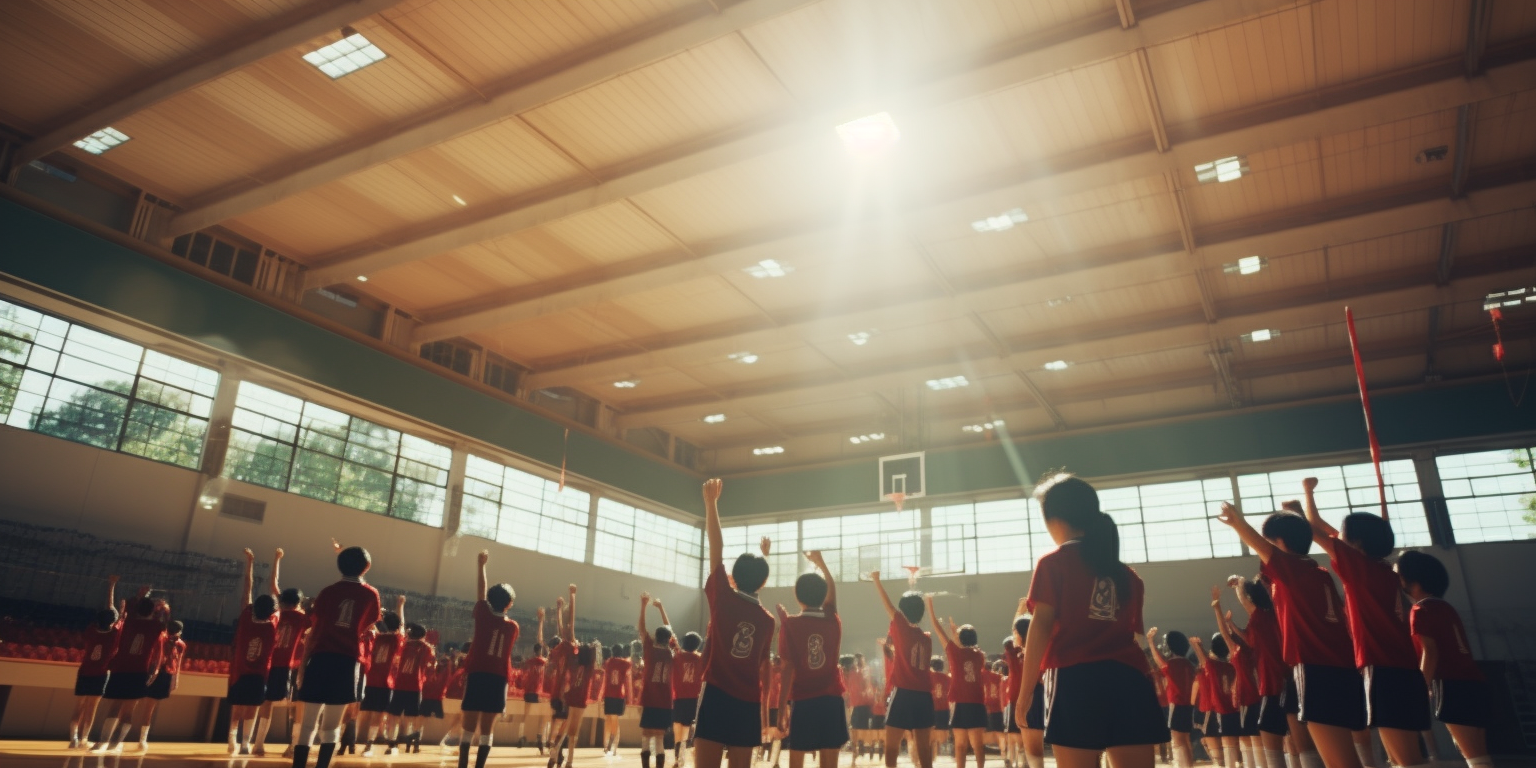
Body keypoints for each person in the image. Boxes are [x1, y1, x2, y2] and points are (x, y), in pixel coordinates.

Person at [1015, 472, 1167, 768]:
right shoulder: (1130, 577)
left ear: (1053, 518)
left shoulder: (1053, 563)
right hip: (1130, 680)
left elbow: (1041, 627)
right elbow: (1135, 637)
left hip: (1076, 680)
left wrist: (1024, 694)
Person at [1214, 499, 1362, 768]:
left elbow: (1260, 546)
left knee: (1339, 761)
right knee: (1343, 755)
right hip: (1342, 668)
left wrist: (1237, 522)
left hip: (1316, 668)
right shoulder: (1320, 572)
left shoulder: (1292, 568)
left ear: (1279, 542)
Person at [1298, 478, 1430, 768]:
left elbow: (1312, 528)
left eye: (1343, 535)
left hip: (1383, 667)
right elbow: (1321, 526)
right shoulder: (1385, 571)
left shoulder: (1359, 568)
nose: (1339, 538)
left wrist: (1305, 494)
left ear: (1356, 543)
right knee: (1404, 757)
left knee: (1406, 760)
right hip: (1402, 667)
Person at [695, 478, 777, 768]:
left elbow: (716, 550)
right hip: (748, 701)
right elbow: (752, 597)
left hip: (716, 693)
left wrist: (711, 503)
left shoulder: (724, 598)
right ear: (764, 581)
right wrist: (763, 560)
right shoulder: (767, 621)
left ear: (734, 574)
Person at [1395, 550, 1491, 768]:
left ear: (1414, 581)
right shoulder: (1445, 606)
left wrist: (1420, 688)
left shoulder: (1420, 609)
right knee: (1479, 755)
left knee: (1473, 756)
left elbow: (1431, 651)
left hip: (1452, 684)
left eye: (1398, 574)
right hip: (1474, 682)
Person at [291, 542, 382, 768]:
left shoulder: (327, 592)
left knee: (308, 725)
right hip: (347, 662)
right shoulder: (371, 595)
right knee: (331, 726)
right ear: (367, 566)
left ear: (339, 565)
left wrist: (302, 667)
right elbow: (367, 627)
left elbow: (314, 632)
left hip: (320, 659)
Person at [772, 550, 849, 768]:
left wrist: (781, 710)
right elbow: (832, 594)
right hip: (831, 699)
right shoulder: (832, 619)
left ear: (797, 595)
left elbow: (787, 670)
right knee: (829, 760)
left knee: (796, 757)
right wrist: (821, 563)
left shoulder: (791, 625)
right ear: (823, 594)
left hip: (804, 700)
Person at [458, 550, 522, 768]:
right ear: (510, 603)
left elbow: (480, 594)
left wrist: (481, 565)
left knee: (468, 726)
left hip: (476, 672)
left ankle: (462, 765)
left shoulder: (483, 614)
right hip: (498, 677)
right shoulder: (513, 627)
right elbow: (483, 597)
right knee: (487, 729)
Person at [1226, 574, 1293, 768]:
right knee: (1291, 739)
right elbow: (1249, 638)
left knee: (1272, 738)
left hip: (1273, 683)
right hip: (1284, 680)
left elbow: (1245, 600)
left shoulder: (1261, 617)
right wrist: (1231, 625)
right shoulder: (1274, 616)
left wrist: (1239, 582)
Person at [870, 570, 934, 768]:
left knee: (891, 748)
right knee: (924, 751)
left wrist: (876, 580)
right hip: (924, 697)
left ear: (902, 612)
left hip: (904, 694)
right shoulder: (927, 638)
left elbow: (888, 605)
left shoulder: (901, 627)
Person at [92, 581, 166, 753]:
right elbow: (160, 617)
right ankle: (115, 743)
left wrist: (141, 595)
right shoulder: (155, 627)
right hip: (138, 673)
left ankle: (104, 742)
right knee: (128, 711)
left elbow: (130, 608)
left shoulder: (130, 623)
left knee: (115, 707)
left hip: (121, 670)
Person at [228, 548, 281, 756]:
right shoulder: (273, 623)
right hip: (260, 673)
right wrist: (277, 559)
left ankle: (232, 740)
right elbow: (275, 592)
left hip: (239, 671)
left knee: (238, 707)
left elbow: (247, 589)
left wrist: (250, 562)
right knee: (252, 708)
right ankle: (245, 743)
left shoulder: (246, 616)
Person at [260, 548, 310, 758]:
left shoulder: (277, 612)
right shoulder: (302, 617)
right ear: (299, 602)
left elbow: (273, 584)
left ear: (282, 601)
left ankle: (257, 744)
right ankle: (293, 746)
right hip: (294, 665)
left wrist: (277, 559)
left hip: (272, 663)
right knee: (297, 705)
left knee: (267, 702)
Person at [1211, 589, 1263, 768]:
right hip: (1261, 695)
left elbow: (1225, 634)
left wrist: (1217, 608)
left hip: (1247, 698)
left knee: (1249, 740)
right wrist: (1230, 622)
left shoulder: (1239, 652)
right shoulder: (1256, 648)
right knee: (1259, 739)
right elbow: (1232, 632)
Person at [69, 574, 120, 750]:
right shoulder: (114, 635)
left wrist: (110, 585)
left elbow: (109, 610)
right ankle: (84, 739)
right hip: (100, 674)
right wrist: (114, 589)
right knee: (92, 708)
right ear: (113, 622)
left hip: (84, 671)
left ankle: (73, 738)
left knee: (79, 706)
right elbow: (112, 611)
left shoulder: (91, 630)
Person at [931, 607, 986, 768]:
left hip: (959, 702)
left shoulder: (955, 653)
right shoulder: (980, 655)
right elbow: (966, 649)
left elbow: (937, 627)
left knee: (960, 745)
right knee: (978, 746)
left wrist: (930, 604)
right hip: (976, 702)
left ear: (960, 639)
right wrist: (957, 634)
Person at [359, 597, 406, 756]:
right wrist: (400, 606)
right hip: (387, 684)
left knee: (374, 715)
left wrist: (378, 612)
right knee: (388, 716)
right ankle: (387, 745)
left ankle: (371, 745)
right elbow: (402, 626)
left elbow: (371, 624)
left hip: (373, 681)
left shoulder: (377, 637)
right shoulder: (396, 639)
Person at [1148, 629, 1198, 768]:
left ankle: (1182, 765)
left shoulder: (1172, 664)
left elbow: (1158, 661)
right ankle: (1188, 765)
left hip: (1176, 704)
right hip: (1188, 706)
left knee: (1177, 741)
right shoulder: (1189, 664)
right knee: (1186, 739)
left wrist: (1151, 642)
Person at [133, 618, 185, 751]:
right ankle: (136, 738)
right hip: (152, 671)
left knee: (150, 707)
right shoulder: (161, 638)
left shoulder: (180, 645)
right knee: (136, 703)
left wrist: (175, 679)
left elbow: (177, 664)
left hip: (165, 674)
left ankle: (142, 739)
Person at [1189, 633, 1239, 768]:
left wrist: (1197, 646)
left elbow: (1205, 660)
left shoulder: (1212, 666)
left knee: (1218, 751)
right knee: (1231, 747)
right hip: (1233, 710)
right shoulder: (1233, 665)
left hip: (1214, 709)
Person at [640, 593, 678, 768]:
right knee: (660, 739)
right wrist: (662, 608)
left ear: (656, 636)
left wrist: (643, 605)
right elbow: (670, 629)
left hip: (649, 698)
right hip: (665, 701)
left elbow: (641, 628)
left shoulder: (649, 649)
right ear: (669, 639)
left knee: (646, 737)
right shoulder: (672, 652)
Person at [389, 622, 435, 753]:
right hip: (415, 686)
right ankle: (412, 742)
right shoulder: (426, 648)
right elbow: (432, 664)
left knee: (395, 715)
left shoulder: (403, 645)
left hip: (400, 685)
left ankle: (393, 741)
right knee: (412, 716)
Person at [1009, 613, 1045, 768]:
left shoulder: (1023, 653)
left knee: (1034, 752)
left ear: (1019, 633)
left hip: (1032, 696)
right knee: (1035, 752)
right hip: (1040, 695)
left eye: (1015, 632)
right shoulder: (1040, 649)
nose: (1013, 635)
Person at [672, 631, 704, 765]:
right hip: (693, 698)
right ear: (698, 645)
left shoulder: (677, 657)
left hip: (677, 697)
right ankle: (681, 758)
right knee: (686, 729)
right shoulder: (701, 658)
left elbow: (673, 642)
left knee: (677, 728)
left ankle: (677, 756)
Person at [519, 611, 549, 750]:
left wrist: (540, 621)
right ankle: (540, 737)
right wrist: (541, 621)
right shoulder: (544, 662)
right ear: (541, 651)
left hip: (528, 691)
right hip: (538, 692)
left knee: (525, 715)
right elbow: (540, 640)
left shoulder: (529, 661)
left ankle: (520, 736)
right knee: (543, 716)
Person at [605, 631, 635, 756]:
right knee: (615, 721)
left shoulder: (608, 663)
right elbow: (628, 680)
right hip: (619, 695)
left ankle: (609, 743)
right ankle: (614, 746)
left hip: (608, 695)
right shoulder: (626, 664)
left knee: (610, 720)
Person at [847, 652, 874, 761]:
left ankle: (860, 748)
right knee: (858, 727)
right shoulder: (859, 671)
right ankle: (860, 748)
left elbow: (864, 686)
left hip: (862, 704)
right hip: (860, 703)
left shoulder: (860, 672)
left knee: (859, 727)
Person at [929, 657, 952, 757]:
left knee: (932, 731)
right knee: (944, 729)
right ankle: (944, 749)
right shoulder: (948, 678)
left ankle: (934, 751)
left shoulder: (928, 677)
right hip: (945, 708)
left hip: (931, 708)